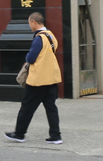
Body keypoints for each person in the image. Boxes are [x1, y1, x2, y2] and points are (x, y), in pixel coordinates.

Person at [4, 12, 62, 144]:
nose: (29, 25)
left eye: (29, 23)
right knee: (51, 107)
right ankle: (56, 136)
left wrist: (27, 57)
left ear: (34, 22)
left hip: (38, 79)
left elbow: (31, 58)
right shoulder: (51, 35)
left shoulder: (39, 38)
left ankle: (19, 134)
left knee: (27, 107)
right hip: (51, 77)